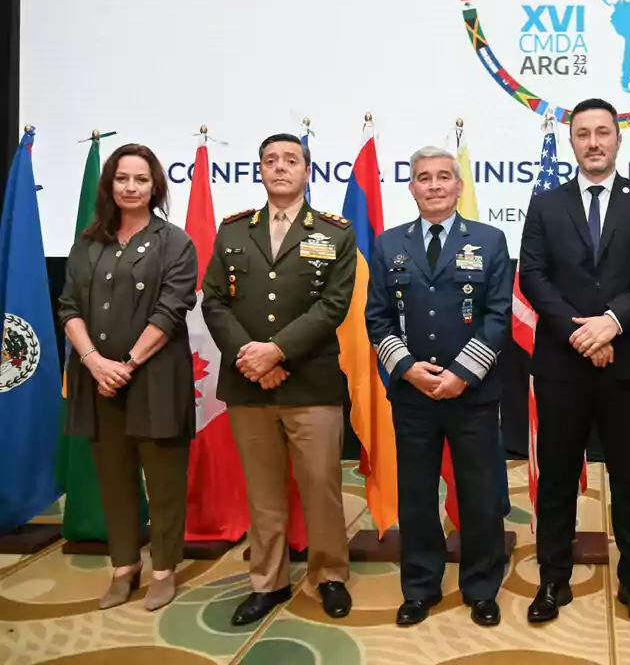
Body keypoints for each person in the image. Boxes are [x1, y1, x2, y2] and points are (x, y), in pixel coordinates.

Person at [518, 97, 630, 626]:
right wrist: (581, 332)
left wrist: (612, 322)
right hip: (563, 364)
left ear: (618, 139)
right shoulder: (546, 204)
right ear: (571, 142)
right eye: (582, 134)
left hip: (627, 365)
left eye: (602, 132)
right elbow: (534, 275)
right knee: (557, 477)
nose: (593, 142)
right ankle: (552, 579)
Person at [201, 133, 356, 624]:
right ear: (261, 171)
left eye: (291, 160)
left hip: (310, 382)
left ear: (308, 171)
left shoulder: (335, 233)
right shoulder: (233, 232)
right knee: (263, 491)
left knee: (322, 487)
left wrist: (277, 351)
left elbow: (333, 305)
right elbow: (213, 300)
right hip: (249, 383)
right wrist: (251, 357)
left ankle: (329, 574)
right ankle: (267, 581)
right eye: (271, 160)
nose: (281, 167)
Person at [366, 147, 513, 628]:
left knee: (479, 492)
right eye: (423, 178)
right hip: (412, 394)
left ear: (459, 185)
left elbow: (497, 317)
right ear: (411, 188)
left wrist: (461, 374)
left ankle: (482, 585)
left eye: (443, 177)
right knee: (416, 494)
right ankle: (420, 587)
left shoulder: (490, 241)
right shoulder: (389, 244)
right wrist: (406, 367)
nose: (434, 185)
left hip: (471, 393)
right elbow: (378, 317)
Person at [58, 143, 198, 612]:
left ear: (155, 185)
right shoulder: (88, 241)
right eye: (122, 179)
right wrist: (96, 362)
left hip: (156, 379)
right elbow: (69, 308)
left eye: (141, 179)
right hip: (96, 381)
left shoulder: (175, 242)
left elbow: (171, 309)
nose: (131, 187)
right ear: (110, 185)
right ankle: (123, 567)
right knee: (113, 480)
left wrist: (127, 364)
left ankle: (163, 569)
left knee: (163, 482)